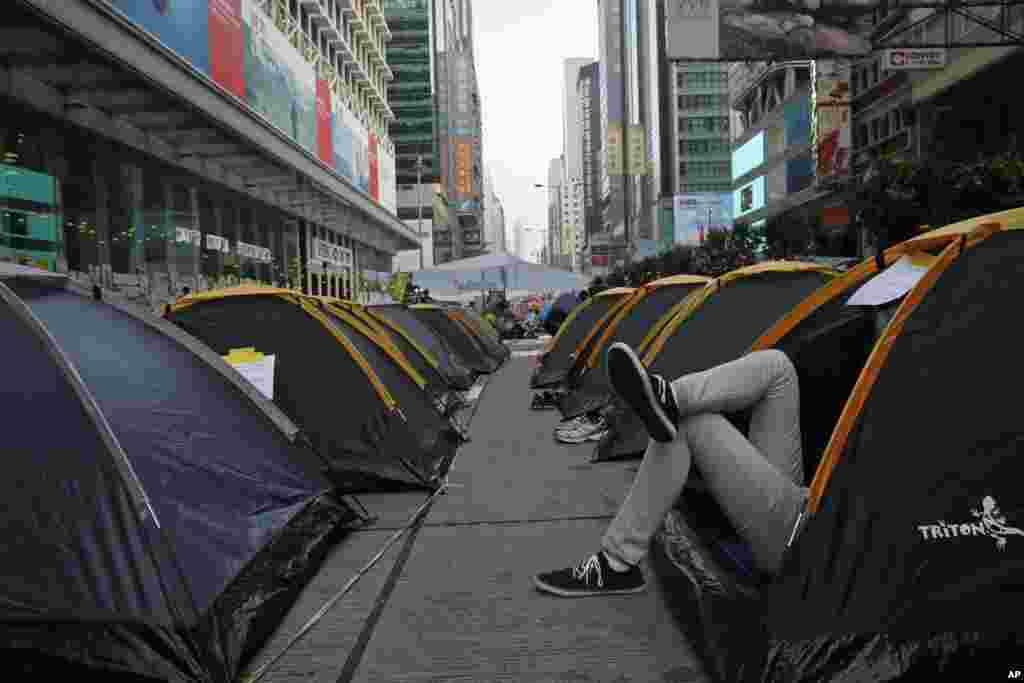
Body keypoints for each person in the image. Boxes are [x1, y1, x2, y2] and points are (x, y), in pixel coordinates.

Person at [535, 304, 898, 597]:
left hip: (809, 537)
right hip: (801, 501)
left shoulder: (919, 393)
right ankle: (670, 397)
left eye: (892, 312)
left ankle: (616, 563)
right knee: (778, 367)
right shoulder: (903, 365)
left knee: (689, 426)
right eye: (886, 311)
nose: (882, 319)